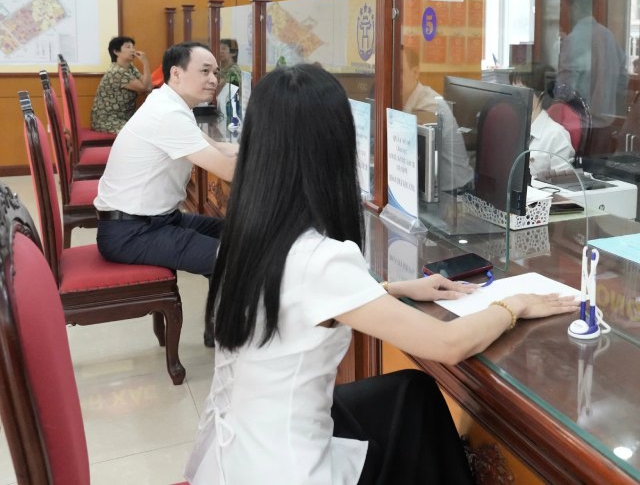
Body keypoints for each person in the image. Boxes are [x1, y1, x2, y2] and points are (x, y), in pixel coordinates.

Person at [185, 64, 577, 484]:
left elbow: (294, 299)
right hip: (288, 471)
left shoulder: (245, 234)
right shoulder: (320, 258)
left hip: (231, 456)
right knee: (413, 411)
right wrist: (514, 304)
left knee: (410, 394)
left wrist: (391, 288)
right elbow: (447, 344)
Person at [94, 42, 239, 346]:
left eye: (216, 72)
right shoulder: (168, 114)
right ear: (176, 73)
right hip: (131, 232)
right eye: (205, 71)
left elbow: (218, 148)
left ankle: (219, 326)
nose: (214, 79)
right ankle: (225, 334)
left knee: (235, 232)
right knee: (232, 257)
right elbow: (228, 170)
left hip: (155, 220)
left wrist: (265, 146)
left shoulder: (170, 104)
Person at [400, 48, 474, 193]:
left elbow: (407, 155)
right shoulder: (403, 99)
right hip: (429, 189)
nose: (393, 77)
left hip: (455, 193)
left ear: (415, 72)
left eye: (400, 71)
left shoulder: (429, 105)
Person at [510, 63, 575, 177]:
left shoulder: (556, 135)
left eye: (521, 90)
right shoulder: (509, 127)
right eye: (512, 89)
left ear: (541, 94)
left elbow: (561, 183)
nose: (514, 96)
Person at [90, 36, 152, 133]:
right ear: (116, 52)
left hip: (125, 117)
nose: (133, 50)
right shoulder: (117, 72)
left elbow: (148, 86)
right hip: (107, 120)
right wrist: (145, 63)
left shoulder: (130, 67)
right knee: (141, 133)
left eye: (133, 47)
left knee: (151, 126)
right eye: (128, 47)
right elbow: (144, 87)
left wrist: (147, 85)